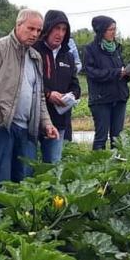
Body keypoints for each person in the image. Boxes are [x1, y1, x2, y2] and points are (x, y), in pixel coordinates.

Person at [0, 9, 58, 189]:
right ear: (18, 25)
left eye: (38, 30)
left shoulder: (35, 57)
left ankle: (20, 217)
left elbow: (39, 97)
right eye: (31, 29)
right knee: (3, 182)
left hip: (26, 129)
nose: (35, 34)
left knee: (25, 182)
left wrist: (47, 123)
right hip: (0, 128)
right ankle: (0, 217)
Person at [33, 10, 82, 163]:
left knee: (53, 166)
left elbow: (75, 85)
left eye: (63, 29)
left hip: (58, 120)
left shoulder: (67, 55)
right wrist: (48, 94)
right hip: (34, 119)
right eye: (56, 28)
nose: (60, 33)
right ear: (47, 28)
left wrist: (72, 95)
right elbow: (29, 82)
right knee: (28, 166)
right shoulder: (34, 50)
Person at [83, 15, 130, 150]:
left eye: (115, 29)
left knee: (117, 139)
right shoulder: (91, 50)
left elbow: (120, 70)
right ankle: (99, 168)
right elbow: (92, 73)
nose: (114, 32)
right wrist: (116, 72)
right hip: (101, 100)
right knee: (101, 138)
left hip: (119, 97)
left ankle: (116, 168)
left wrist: (127, 74)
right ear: (101, 31)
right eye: (110, 29)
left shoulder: (116, 48)